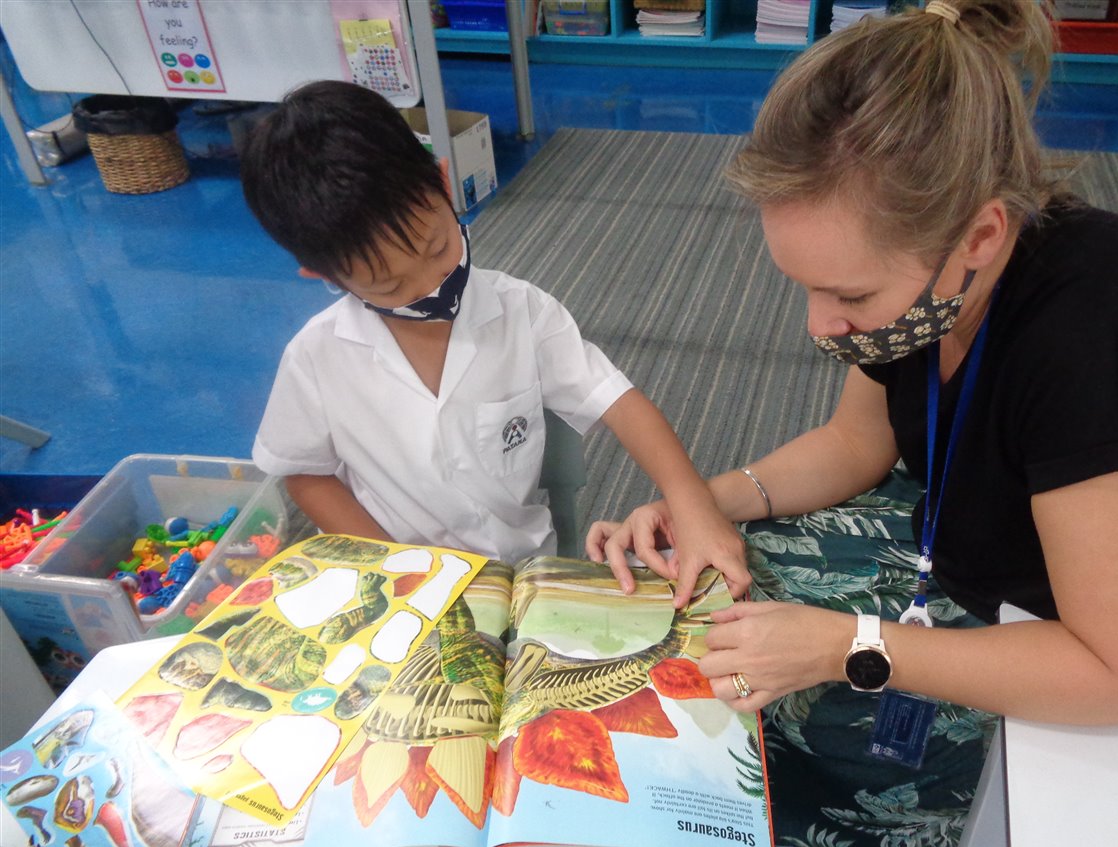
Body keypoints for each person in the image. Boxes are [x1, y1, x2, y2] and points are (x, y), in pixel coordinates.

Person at [588, 1, 1118, 847]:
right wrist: (699, 506)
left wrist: (846, 647)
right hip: (954, 538)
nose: (820, 325)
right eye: (805, 286)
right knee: (701, 603)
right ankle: (729, 844)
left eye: (849, 294)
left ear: (980, 236)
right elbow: (855, 446)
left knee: (793, 701)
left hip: (1075, 643)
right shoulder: (933, 284)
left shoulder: (1111, 350)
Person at [242, 81, 747, 601]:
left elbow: (620, 402)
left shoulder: (523, 311)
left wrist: (692, 505)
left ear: (444, 182)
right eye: (390, 286)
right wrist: (397, 570)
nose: (431, 287)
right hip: (404, 584)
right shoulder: (316, 357)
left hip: (523, 575)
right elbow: (305, 472)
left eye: (437, 248)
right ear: (323, 274)